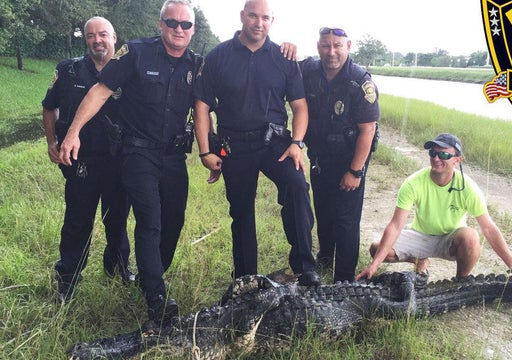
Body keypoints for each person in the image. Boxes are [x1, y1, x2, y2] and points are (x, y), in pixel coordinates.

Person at [59, 0, 197, 324]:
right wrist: (72, 133)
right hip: (137, 153)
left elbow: (205, 108)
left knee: (173, 221)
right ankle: (156, 297)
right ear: (160, 24)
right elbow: (99, 91)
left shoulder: (197, 64)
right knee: (150, 220)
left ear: (192, 30)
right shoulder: (135, 52)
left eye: (185, 25)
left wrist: (209, 150)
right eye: (172, 22)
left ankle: (153, 273)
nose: (179, 29)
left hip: (175, 157)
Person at [193, 0, 320, 286]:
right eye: (253, 16)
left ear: (272, 21)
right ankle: (246, 278)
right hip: (233, 146)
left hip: (275, 142)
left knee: (297, 186)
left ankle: (305, 268)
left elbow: (300, 107)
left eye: (265, 18)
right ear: (242, 17)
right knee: (241, 211)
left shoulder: (284, 57)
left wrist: (297, 143)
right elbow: (202, 106)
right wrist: (204, 151)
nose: (259, 23)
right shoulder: (218, 56)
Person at [42, 16, 135, 303]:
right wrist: (52, 141)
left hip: (118, 162)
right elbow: (49, 107)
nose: (98, 40)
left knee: (117, 220)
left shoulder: (129, 72)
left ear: (114, 37)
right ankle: (67, 281)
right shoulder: (69, 70)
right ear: (86, 40)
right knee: (77, 222)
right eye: (92, 35)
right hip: (80, 163)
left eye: (103, 34)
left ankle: (118, 268)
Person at [356, 133, 512, 283]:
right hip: (420, 235)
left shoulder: (469, 188)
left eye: (444, 155)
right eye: (433, 153)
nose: (436, 159)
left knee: (471, 237)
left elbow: (489, 229)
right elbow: (395, 225)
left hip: (451, 240)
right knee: (376, 248)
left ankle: (460, 281)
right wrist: (375, 265)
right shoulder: (413, 183)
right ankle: (420, 260)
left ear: (457, 160)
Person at [299, 27, 379, 283]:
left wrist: (355, 171)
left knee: (346, 220)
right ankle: (325, 258)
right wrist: (286, 47)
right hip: (321, 159)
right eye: (325, 45)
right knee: (323, 211)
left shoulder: (360, 81)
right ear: (318, 46)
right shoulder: (308, 70)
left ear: (348, 46)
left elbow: (368, 130)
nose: (331, 51)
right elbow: (280, 64)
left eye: (337, 45)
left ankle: (343, 279)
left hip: (350, 159)